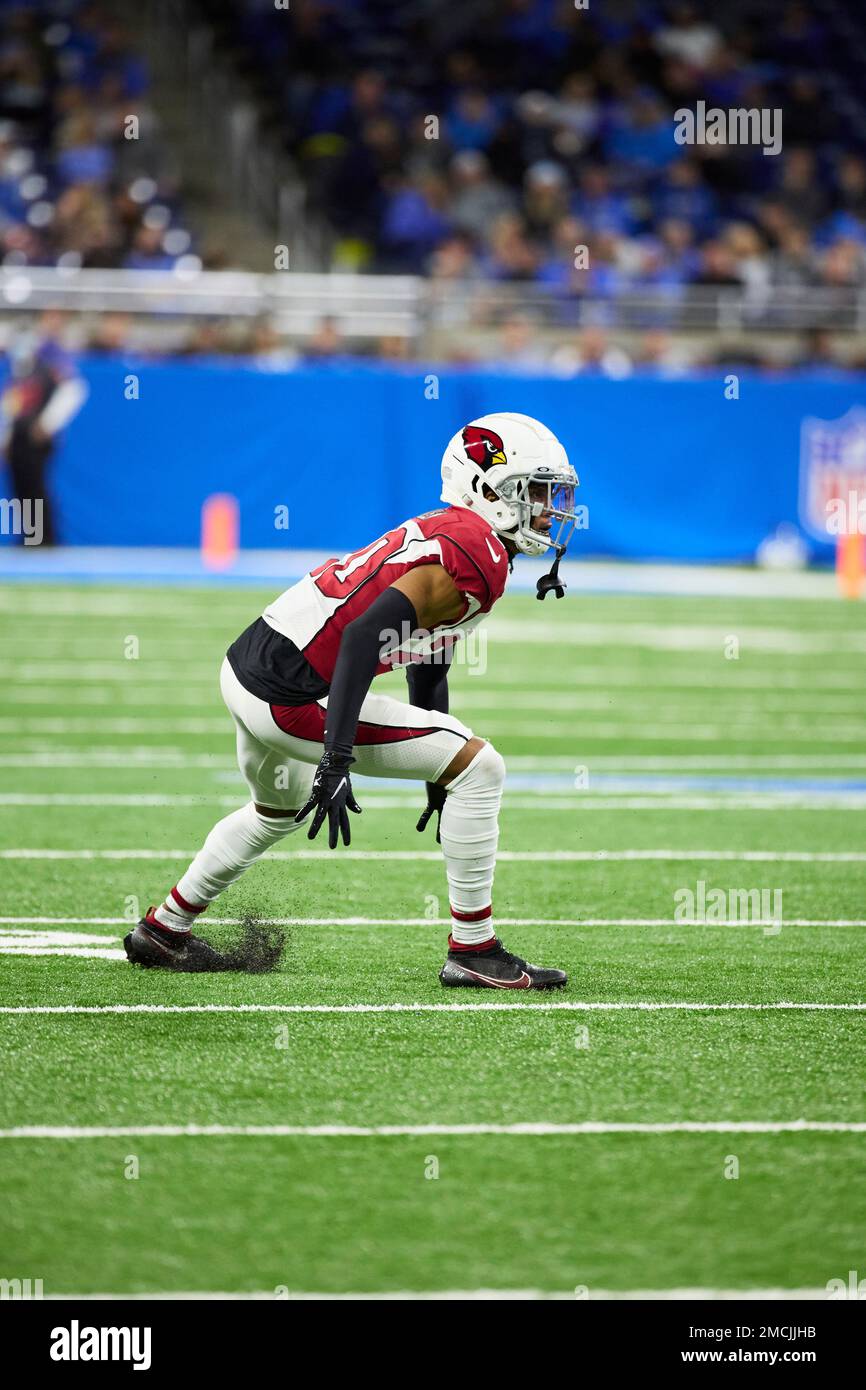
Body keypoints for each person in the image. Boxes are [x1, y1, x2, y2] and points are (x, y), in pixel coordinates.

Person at [125, 413, 580, 989]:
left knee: (276, 811)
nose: (547, 509)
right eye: (533, 492)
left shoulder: (456, 532)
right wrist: (335, 760)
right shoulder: (476, 552)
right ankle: (473, 949)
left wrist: (437, 772)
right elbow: (364, 639)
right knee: (482, 766)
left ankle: (164, 931)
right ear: (487, 490)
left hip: (246, 664)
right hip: (291, 693)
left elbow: (428, 657)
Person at [0, 312, 87, 546]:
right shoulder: (21, 367)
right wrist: (6, 436)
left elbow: (74, 390)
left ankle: (43, 538)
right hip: (19, 434)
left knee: (35, 486)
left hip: (35, 435)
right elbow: (12, 404)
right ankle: (30, 536)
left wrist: (47, 423)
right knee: (21, 489)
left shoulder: (50, 359)